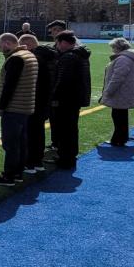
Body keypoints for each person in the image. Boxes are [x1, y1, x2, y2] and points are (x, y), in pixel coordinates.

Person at [0, 33, 38, 186]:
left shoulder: (16, 59)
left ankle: (9, 176)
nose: (0, 50)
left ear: (7, 43)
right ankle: (17, 173)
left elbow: (9, 87)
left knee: (11, 144)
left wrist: (1, 107)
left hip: (14, 107)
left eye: (0, 47)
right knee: (21, 142)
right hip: (25, 106)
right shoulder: (29, 55)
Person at [49, 31, 90, 170]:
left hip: (66, 99)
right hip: (75, 98)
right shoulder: (81, 55)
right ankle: (69, 155)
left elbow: (63, 80)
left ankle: (65, 158)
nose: (56, 46)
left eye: (57, 43)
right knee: (71, 128)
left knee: (65, 130)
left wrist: (54, 97)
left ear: (64, 43)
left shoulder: (68, 57)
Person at [19, 34, 55, 174]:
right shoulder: (49, 56)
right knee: (38, 132)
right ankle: (37, 161)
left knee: (30, 132)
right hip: (45, 100)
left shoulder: (34, 59)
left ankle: (29, 163)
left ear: (27, 45)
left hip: (34, 100)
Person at [100, 38, 134, 147]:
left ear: (118, 47)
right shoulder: (126, 58)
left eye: (113, 47)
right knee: (121, 115)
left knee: (118, 116)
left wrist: (109, 91)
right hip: (123, 91)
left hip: (120, 92)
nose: (112, 49)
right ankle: (121, 138)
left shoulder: (123, 59)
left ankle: (118, 139)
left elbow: (118, 77)